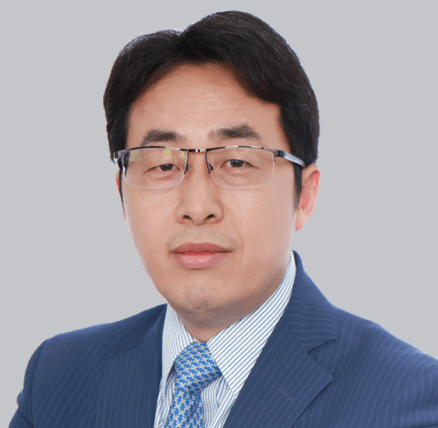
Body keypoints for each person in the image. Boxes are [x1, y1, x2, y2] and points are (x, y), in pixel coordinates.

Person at [9, 10, 438, 428]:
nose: (198, 206)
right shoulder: (60, 377)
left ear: (305, 195)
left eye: (236, 162)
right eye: (162, 164)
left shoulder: (408, 398)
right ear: (122, 193)